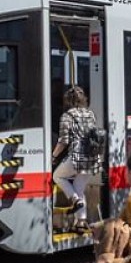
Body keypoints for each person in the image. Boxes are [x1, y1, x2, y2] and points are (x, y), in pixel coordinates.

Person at [51, 86, 98, 230]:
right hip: (91, 159)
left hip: (76, 157)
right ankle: (81, 222)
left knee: (57, 176)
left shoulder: (67, 116)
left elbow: (63, 141)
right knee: (78, 187)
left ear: (67, 101)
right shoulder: (90, 114)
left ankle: (75, 200)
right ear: (83, 99)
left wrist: (53, 156)